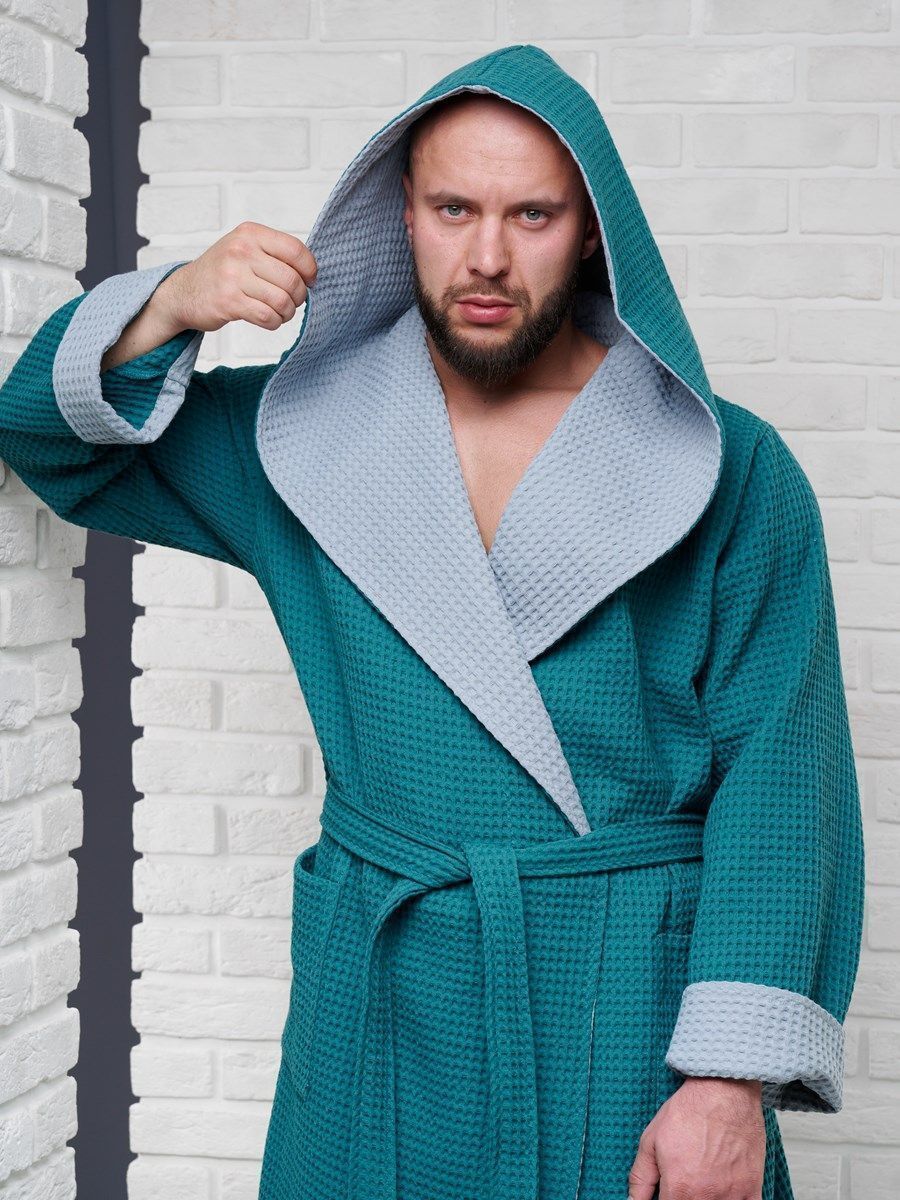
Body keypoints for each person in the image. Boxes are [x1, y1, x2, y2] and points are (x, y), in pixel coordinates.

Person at [0, 42, 865, 1200]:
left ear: (593, 231)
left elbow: (784, 783)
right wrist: (168, 305)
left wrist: (726, 1086)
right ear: (402, 212)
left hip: (624, 1003)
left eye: (532, 214)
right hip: (381, 990)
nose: (488, 256)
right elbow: (46, 443)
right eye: (455, 209)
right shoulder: (298, 439)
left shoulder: (728, 467)